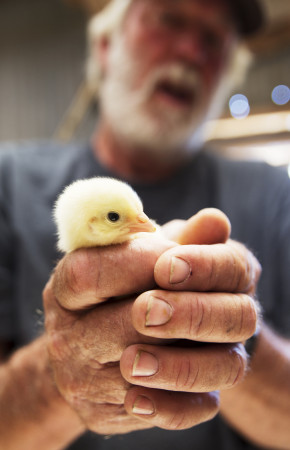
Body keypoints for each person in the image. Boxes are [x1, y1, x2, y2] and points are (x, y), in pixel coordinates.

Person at [0, 0, 289, 449]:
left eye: (215, 40)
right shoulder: (9, 184)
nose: (193, 51)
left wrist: (233, 334)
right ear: (104, 45)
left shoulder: (275, 196)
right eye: (169, 19)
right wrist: (56, 369)